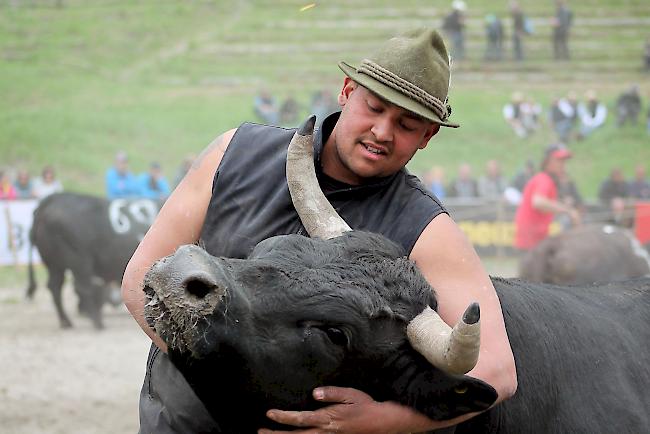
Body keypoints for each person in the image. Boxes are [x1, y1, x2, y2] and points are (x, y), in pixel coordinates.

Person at [122, 28, 517, 433]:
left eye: (406, 123)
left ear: (427, 136)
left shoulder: (425, 229)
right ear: (347, 90)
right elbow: (141, 278)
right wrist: (223, 380)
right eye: (375, 107)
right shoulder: (236, 153)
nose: (382, 131)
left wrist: (374, 422)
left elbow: (497, 371)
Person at [514, 144, 581, 251]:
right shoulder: (544, 179)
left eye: (564, 161)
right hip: (532, 239)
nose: (563, 165)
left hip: (532, 238)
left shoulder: (543, 178)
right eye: (559, 160)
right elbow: (538, 202)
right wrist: (568, 211)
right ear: (548, 162)